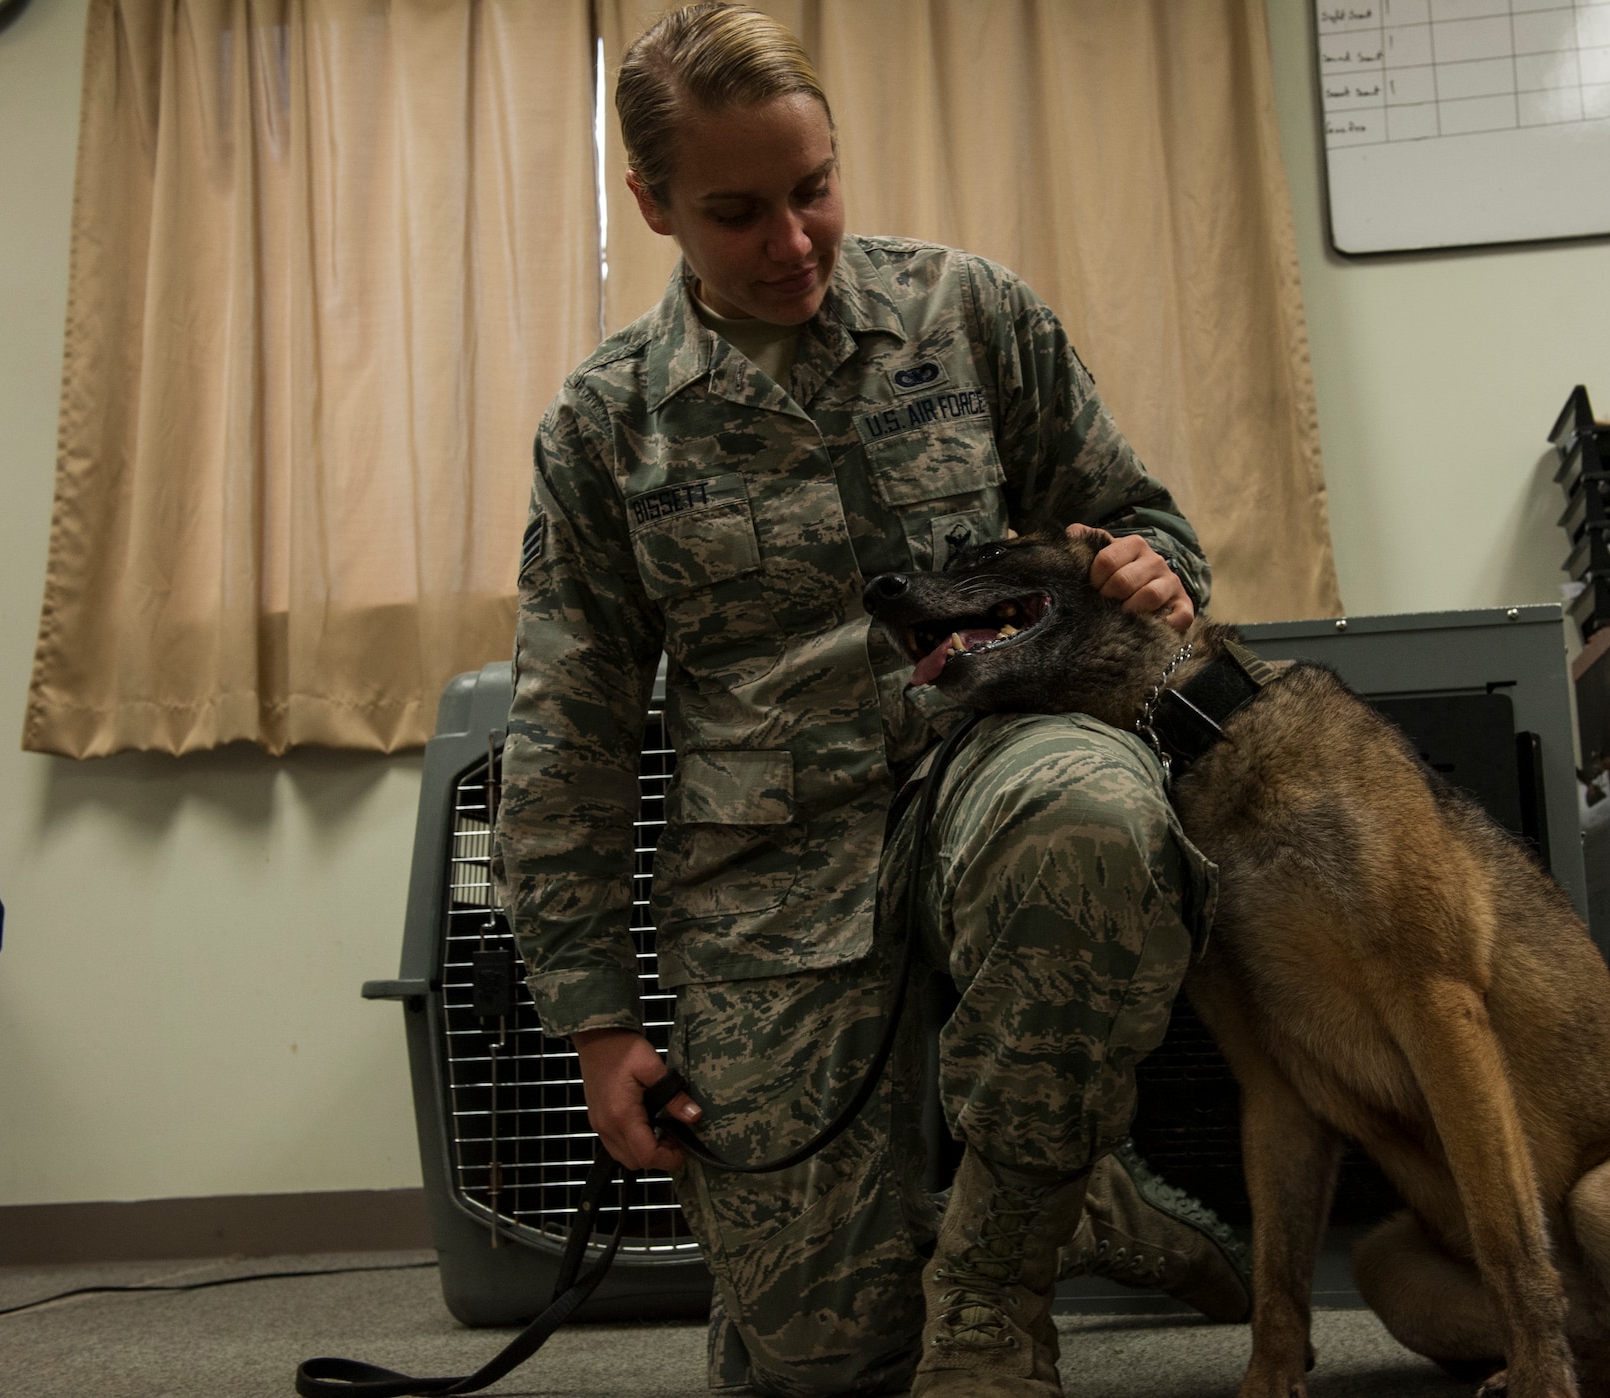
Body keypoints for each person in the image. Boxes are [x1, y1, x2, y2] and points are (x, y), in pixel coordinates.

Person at [497, 6, 1250, 1394]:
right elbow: (570, 742)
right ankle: (1073, 1183)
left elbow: (1136, 520)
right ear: (652, 204)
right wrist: (602, 1026)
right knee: (819, 1365)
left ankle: (993, 1290)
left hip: (990, 768)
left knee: (1087, 815)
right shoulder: (608, 429)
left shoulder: (968, 313)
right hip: (775, 872)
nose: (793, 241)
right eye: (737, 213)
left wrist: (1156, 565)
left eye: (814, 189)